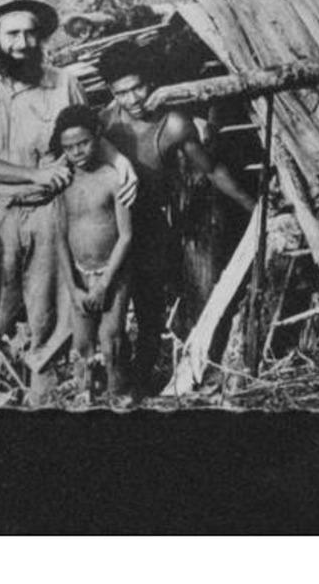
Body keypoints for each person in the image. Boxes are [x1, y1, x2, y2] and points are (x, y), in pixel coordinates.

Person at [0, 0, 136, 405]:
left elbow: (87, 134)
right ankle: (18, 379)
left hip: (50, 211)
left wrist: (120, 161)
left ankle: (50, 392)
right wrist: (32, 173)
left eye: (31, 33)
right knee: (5, 308)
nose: (23, 43)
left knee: (50, 307)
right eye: (13, 34)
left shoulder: (63, 83)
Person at [97, 41, 257, 392]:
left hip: (154, 222)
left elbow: (212, 169)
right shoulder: (106, 126)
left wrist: (253, 206)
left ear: (151, 82)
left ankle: (180, 368)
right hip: (113, 225)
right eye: (122, 92)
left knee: (166, 298)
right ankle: (122, 381)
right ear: (111, 93)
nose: (134, 99)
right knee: (122, 308)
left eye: (138, 87)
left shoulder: (173, 124)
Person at [50, 105, 133, 404]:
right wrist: (73, 288)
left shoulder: (113, 177)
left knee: (111, 338)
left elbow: (126, 236)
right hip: (80, 275)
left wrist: (104, 284)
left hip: (113, 274)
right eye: (69, 147)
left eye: (83, 143)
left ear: (97, 136)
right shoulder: (63, 183)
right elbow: (59, 237)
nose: (77, 152)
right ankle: (84, 394)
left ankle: (117, 393)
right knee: (82, 341)